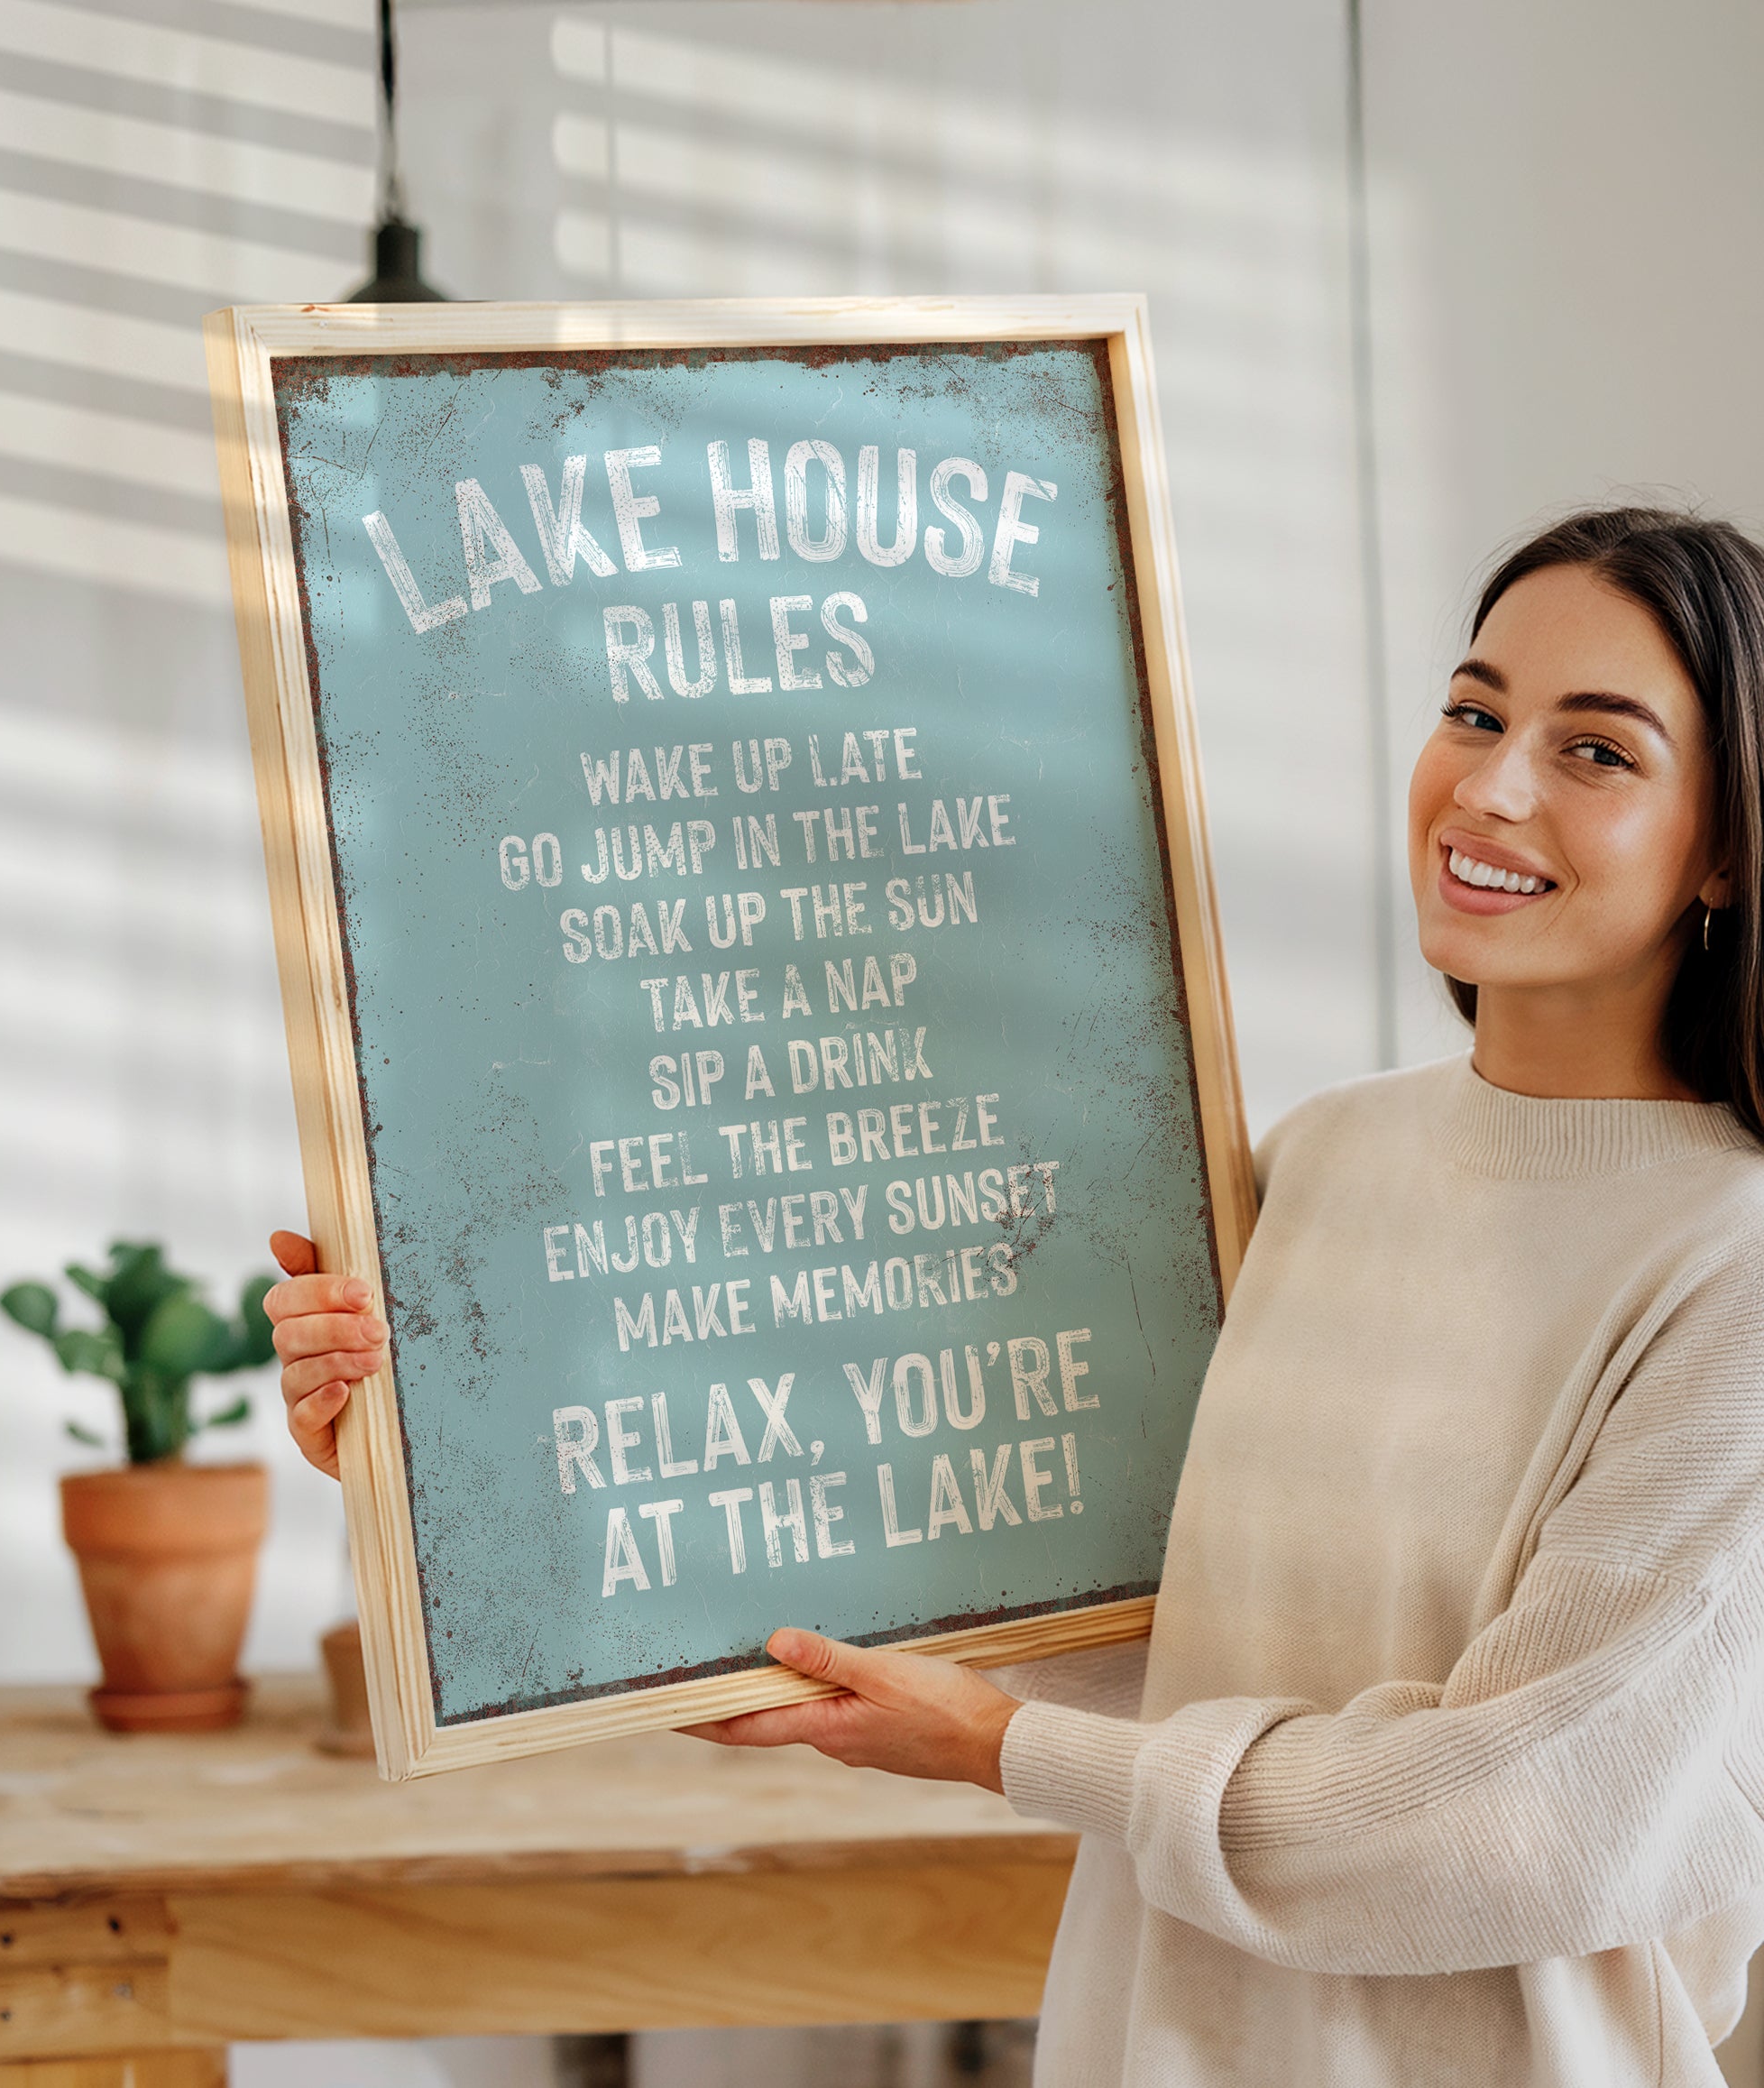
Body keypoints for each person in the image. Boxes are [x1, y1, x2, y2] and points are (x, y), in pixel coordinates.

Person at [267, 506, 1764, 2086]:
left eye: (1597, 752)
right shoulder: (1319, 1166)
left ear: (1729, 839)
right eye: (1474, 712)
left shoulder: (1729, 1262)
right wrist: (459, 1466)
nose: (1491, 784)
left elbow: (1520, 1823)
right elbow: (1116, 1601)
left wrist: (1000, 1751)